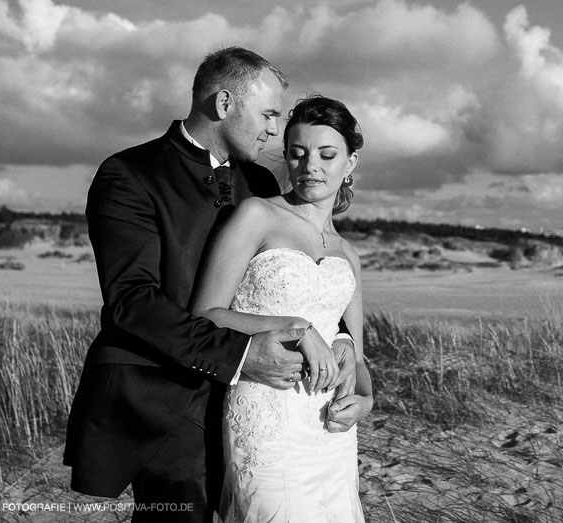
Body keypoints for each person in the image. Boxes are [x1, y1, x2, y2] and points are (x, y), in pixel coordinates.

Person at [63, 48, 358, 522]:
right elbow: (131, 302)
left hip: (263, 401)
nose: (273, 131)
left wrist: (340, 338)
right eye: (267, 114)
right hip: (166, 398)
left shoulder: (260, 180)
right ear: (223, 105)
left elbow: (304, 268)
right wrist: (240, 355)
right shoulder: (130, 175)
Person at [191, 94, 373, 522]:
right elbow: (205, 312)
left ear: (349, 164)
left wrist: (364, 397)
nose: (311, 166)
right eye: (297, 154)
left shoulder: (349, 255)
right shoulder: (257, 215)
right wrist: (296, 326)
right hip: (266, 416)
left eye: (328, 155)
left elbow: (358, 358)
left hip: (330, 426)